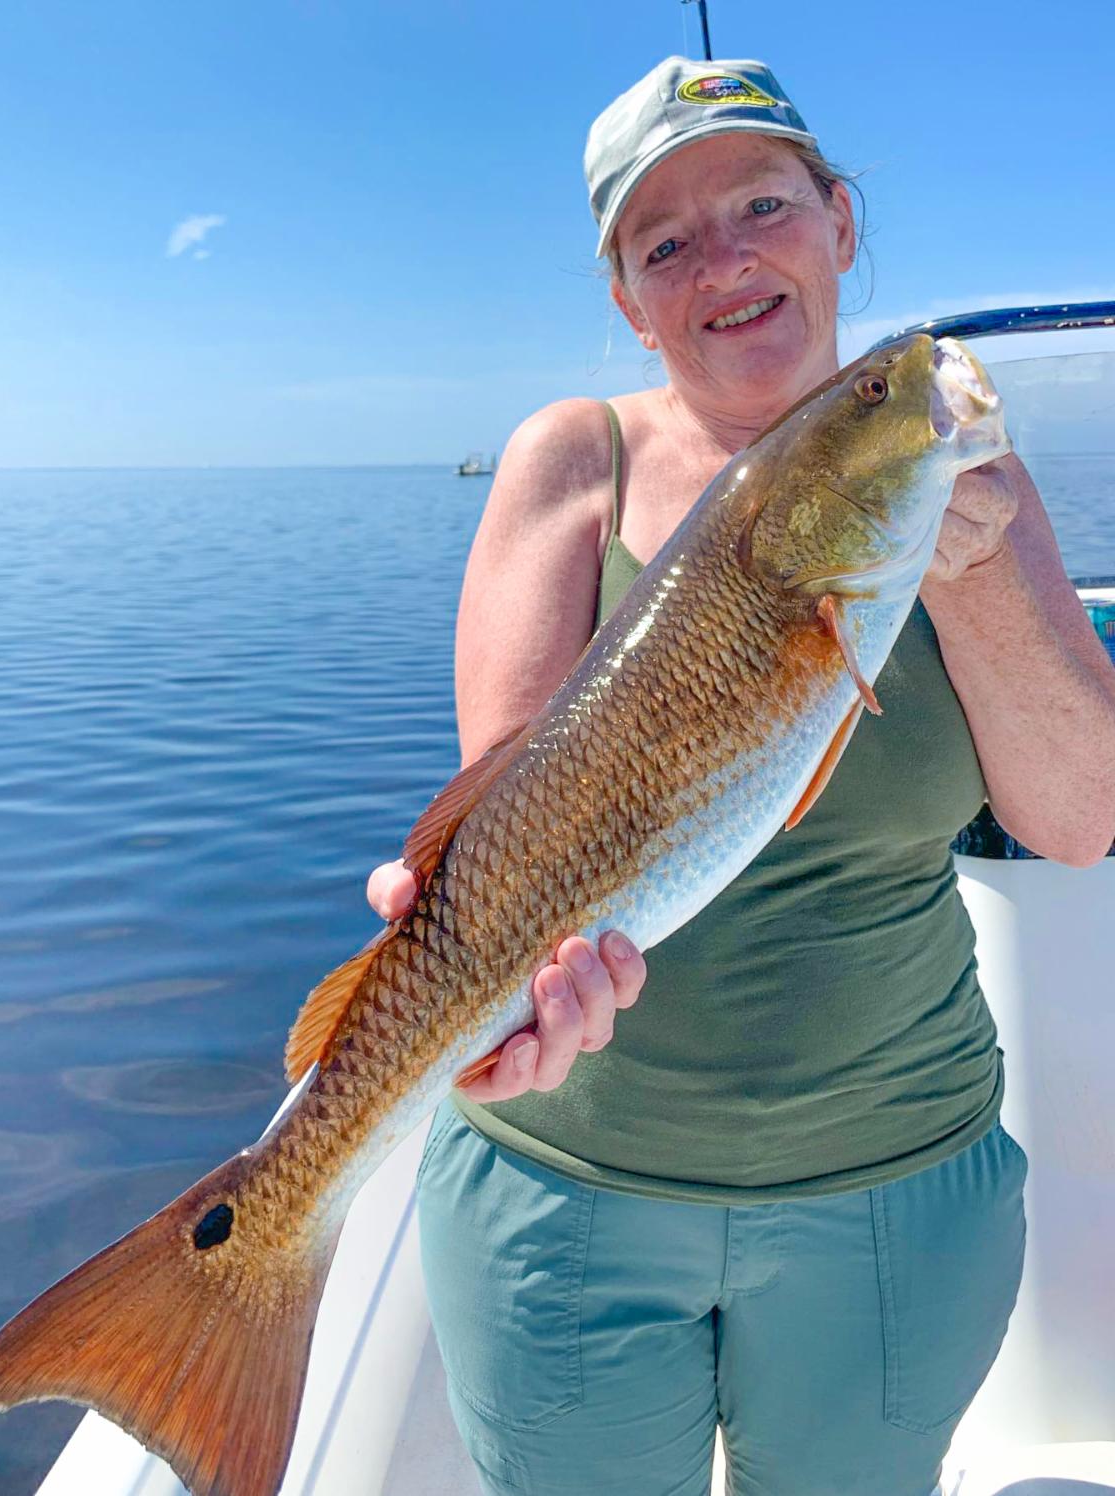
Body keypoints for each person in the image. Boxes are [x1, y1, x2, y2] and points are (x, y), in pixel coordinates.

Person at [367, 57, 1115, 1496]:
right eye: (664, 243)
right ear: (628, 301)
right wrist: (511, 987)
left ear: (840, 222)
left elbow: (1081, 823)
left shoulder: (961, 472)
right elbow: (518, 835)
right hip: (565, 1187)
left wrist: (968, 574)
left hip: (898, 1186)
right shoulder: (570, 459)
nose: (724, 261)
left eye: (764, 204)